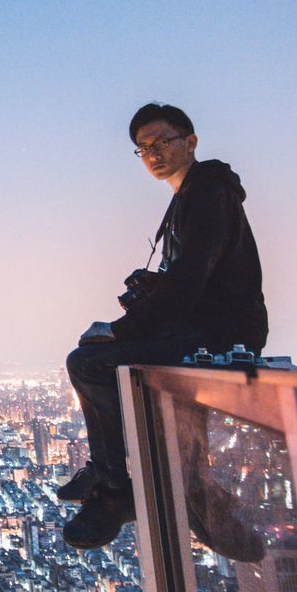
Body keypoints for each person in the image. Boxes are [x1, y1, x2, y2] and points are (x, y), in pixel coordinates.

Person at [61, 103, 269, 550]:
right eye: (143, 149)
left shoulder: (209, 193)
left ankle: (115, 491)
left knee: (87, 362)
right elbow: (188, 280)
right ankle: (195, 495)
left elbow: (192, 279)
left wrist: (124, 329)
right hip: (203, 328)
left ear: (190, 142)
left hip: (218, 333)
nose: (152, 154)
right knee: (105, 358)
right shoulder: (188, 199)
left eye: (161, 143)